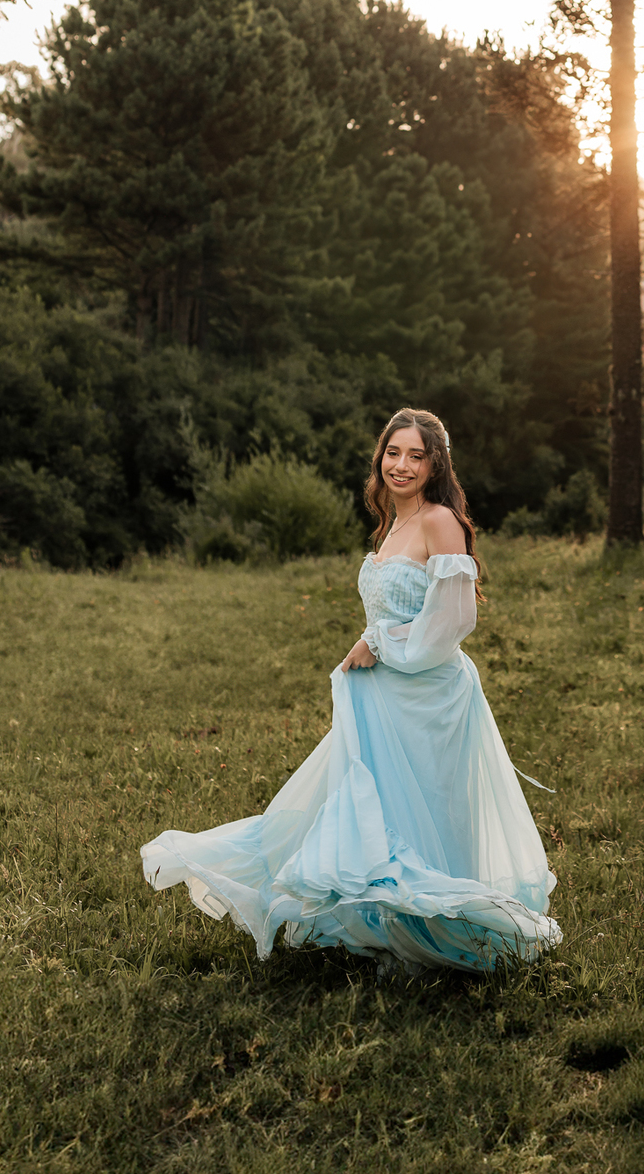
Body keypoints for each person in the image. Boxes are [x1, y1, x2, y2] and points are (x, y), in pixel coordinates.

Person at [141, 407, 561, 971]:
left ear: (435, 463)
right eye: (393, 452)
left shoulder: (440, 521)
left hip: (429, 697)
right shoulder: (392, 524)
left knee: (426, 811)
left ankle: (441, 925)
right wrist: (372, 646)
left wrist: (379, 644)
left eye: (416, 455)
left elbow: (453, 621)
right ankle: (386, 923)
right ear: (380, 457)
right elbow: (400, 606)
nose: (402, 465)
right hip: (385, 693)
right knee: (375, 807)